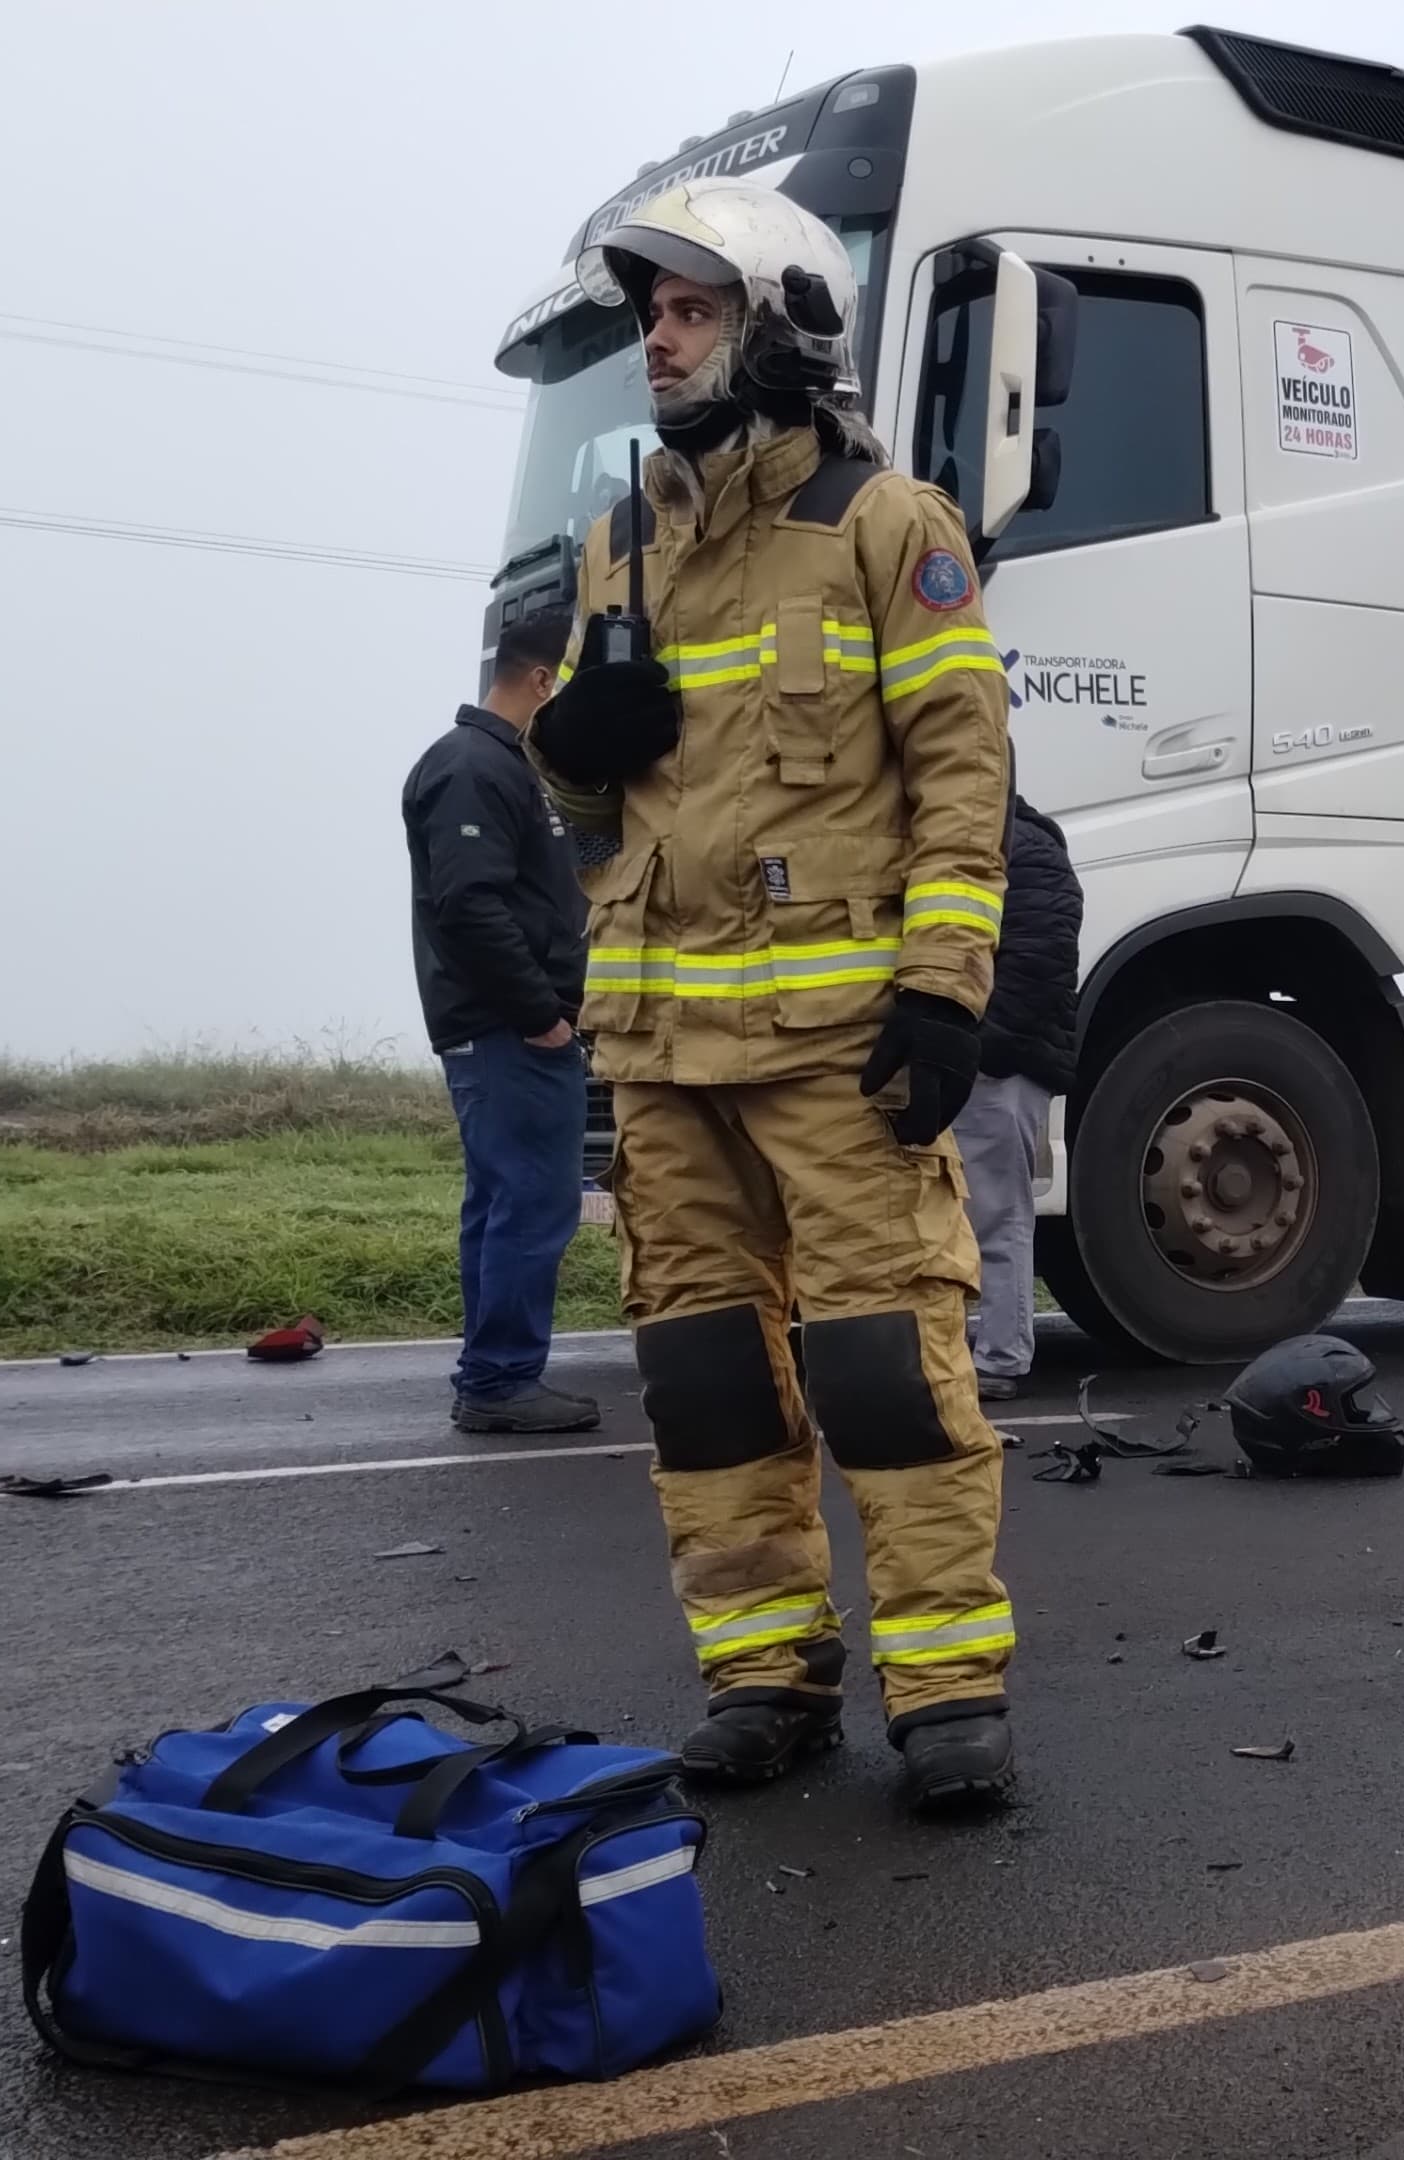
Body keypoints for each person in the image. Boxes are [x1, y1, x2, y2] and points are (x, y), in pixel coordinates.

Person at [527, 174, 1021, 1810]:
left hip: (835, 1054)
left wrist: (946, 995)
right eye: (650, 314)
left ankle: (947, 1693)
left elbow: (963, 785)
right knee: (709, 1387)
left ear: (782, 322)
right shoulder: (616, 554)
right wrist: (575, 762)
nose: (657, 341)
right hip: (665, 1059)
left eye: (690, 309)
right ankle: (767, 1681)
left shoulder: (891, 527)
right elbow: (597, 828)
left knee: (884, 1369)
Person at [403, 607, 599, 1434]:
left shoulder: (505, 767)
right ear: (544, 680)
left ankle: (493, 1374)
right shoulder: (473, 767)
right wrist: (542, 1016)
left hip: (507, 1030)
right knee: (529, 1201)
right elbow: (470, 904)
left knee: (505, 1202)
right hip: (509, 1032)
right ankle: (501, 1379)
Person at [960, 795, 1080, 1401]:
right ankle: (972, 1352)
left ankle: (1001, 1357)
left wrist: (977, 1051)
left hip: (994, 1066)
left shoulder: (1022, 850)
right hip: (992, 1060)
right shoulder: (1029, 847)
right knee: (982, 1213)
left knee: (995, 1214)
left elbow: (1034, 967)